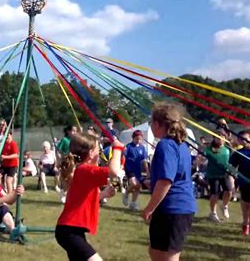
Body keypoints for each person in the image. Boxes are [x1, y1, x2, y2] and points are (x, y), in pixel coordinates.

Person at [141, 102, 196, 261]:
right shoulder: (180, 145)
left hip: (173, 208)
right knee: (156, 252)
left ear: (158, 124)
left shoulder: (165, 145)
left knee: (169, 257)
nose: (151, 126)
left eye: (151, 122)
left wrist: (149, 208)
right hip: (173, 207)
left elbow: (166, 181)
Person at [55, 133, 124, 261]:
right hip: (69, 231)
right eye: (99, 149)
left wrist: (104, 194)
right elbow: (113, 171)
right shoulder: (85, 170)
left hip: (70, 231)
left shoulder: (83, 170)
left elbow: (83, 199)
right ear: (91, 153)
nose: (100, 153)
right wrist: (118, 149)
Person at [204, 130, 231, 222]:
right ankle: (213, 213)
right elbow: (207, 156)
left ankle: (224, 206)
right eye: (217, 137)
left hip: (224, 173)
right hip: (213, 174)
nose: (219, 139)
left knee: (229, 190)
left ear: (225, 138)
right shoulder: (209, 149)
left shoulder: (228, 149)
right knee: (215, 193)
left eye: (222, 137)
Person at [122, 130, 149, 211]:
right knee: (134, 184)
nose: (138, 140)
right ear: (133, 138)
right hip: (130, 169)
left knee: (137, 187)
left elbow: (144, 160)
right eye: (137, 138)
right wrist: (122, 167)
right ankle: (126, 193)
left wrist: (147, 171)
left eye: (140, 139)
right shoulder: (128, 147)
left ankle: (133, 204)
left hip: (138, 170)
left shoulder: (142, 148)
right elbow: (123, 157)